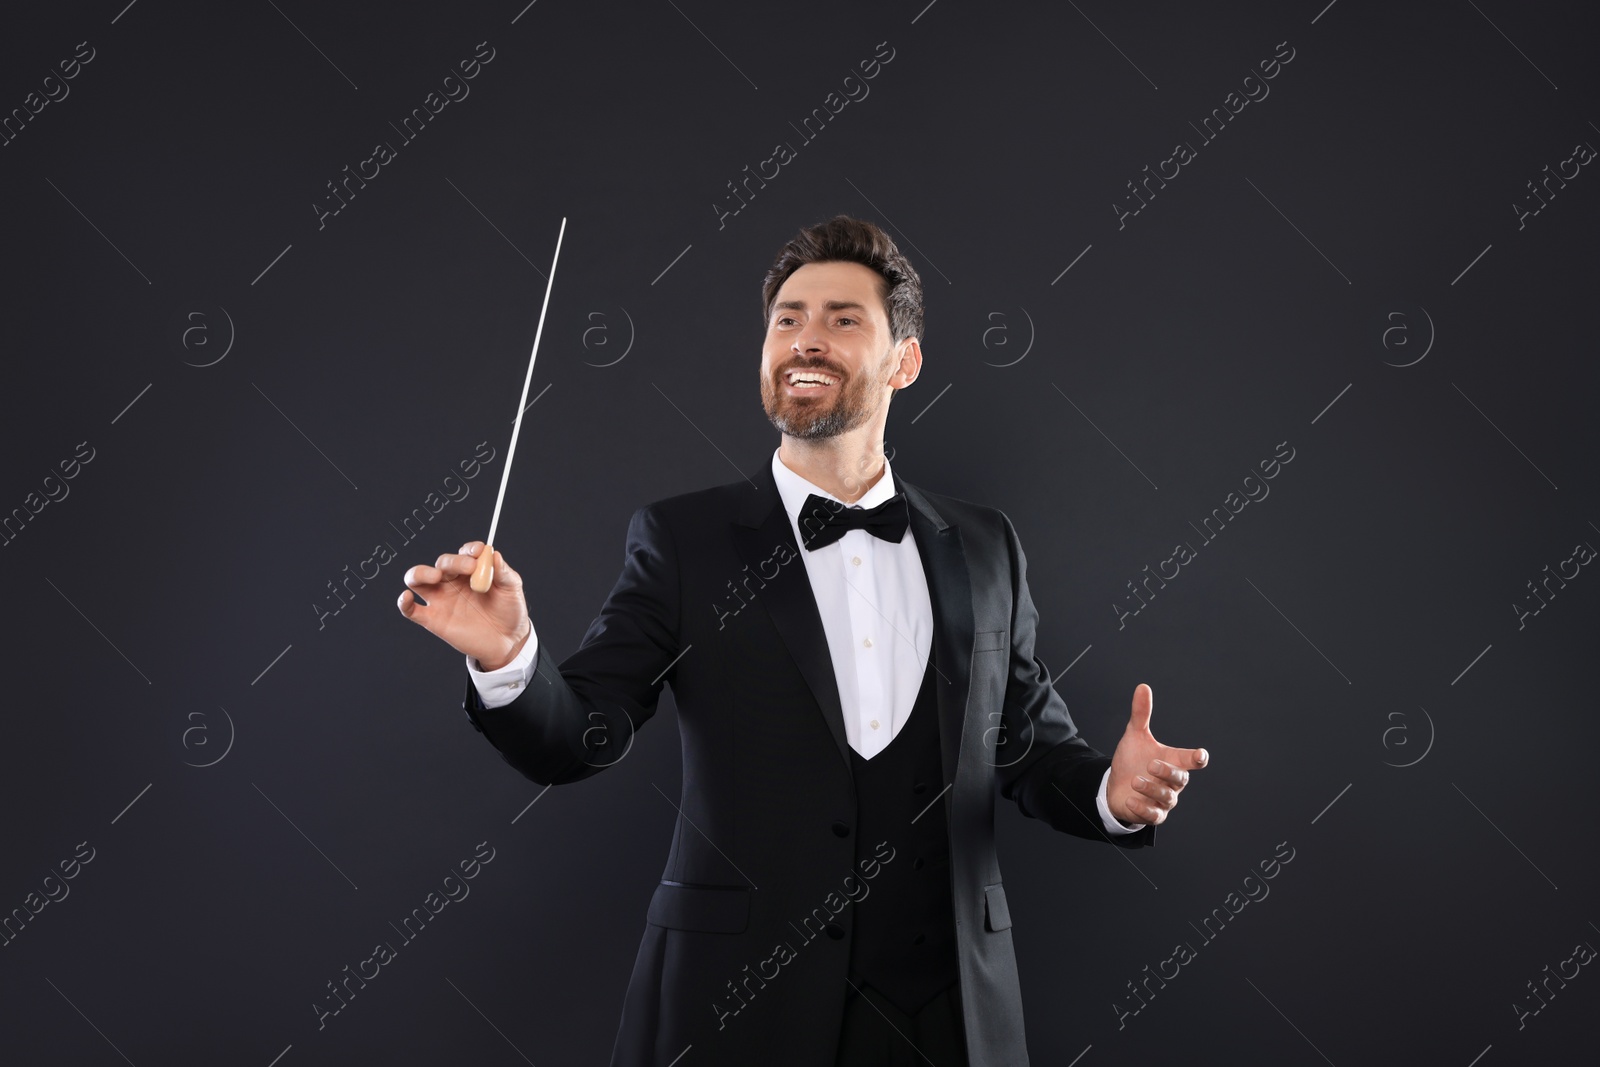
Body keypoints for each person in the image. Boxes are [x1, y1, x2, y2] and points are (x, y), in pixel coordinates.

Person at [398, 215, 1209, 1066]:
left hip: (950, 1022)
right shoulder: (685, 540)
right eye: (787, 318)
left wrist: (1115, 794)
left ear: (906, 360)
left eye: (842, 319)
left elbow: (1032, 756)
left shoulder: (983, 545)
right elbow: (579, 739)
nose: (804, 341)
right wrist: (509, 655)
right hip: (734, 1012)